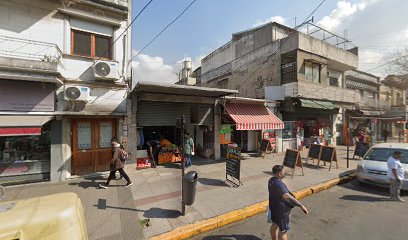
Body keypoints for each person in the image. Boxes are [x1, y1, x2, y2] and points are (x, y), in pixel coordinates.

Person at [268, 165, 308, 240]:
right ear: (279, 174)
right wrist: (301, 206)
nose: (285, 173)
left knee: (274, 225)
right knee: (283, 232)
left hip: (274, 209)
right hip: (282, 212)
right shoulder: (279, 185)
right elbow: (287, 196)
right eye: (283, 172)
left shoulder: (271, 180)